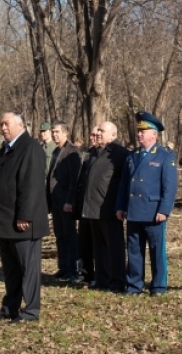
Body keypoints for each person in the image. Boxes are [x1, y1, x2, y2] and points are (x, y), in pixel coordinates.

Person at [0, 111, 50, 324]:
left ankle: (31, 310)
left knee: (28, 268)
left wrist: (25, 215)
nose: (2, 128)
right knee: (11, 269)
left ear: (20, 125)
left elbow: (31, 185)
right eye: (1, 124)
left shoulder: (30, 148)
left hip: (22, 222)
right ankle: (10, 307)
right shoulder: (7, 149)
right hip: (5, 221)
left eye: (6, 124)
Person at [116, 111, 178, 296]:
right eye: (139, 131)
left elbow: (170, 187)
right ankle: (134, 285)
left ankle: (158, 286)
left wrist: (164, 210)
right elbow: (124, 184)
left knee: (156, 250)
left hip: (153, 211)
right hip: (134, 210)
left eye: (144, 131)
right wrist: (120, 206)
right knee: (134, 250)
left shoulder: (165, 156)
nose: (139, 134)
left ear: (154, 134)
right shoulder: (132, 156)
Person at [80, 121, 128, 293]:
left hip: (109, 209)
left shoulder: (120, 154)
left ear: (113, 135)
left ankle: (117, 282)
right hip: (92, 208)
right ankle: (102, 279)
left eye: (102, 130)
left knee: (114, 248)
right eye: (98, 130)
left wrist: (121, 206)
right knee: (99, 247)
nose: (98, 133)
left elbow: (125, 182)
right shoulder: (95, 153)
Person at [46, 121, 81, 281]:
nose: (54, 134)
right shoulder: (55, 151)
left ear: (65, 132)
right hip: (55, 201)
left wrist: (70, 201)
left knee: (69, 235)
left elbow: (75, 180)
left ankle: (73, 270)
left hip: (66, 202)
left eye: (57, 132)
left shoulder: (72, 151)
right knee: (60, 235)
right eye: (53, 132)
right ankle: (63, 266)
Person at [72, 126, 99, 285]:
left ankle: (97, 274)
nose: (93, 137)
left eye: (96, 135)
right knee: (84, 243)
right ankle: (86, 273)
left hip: (96, 207)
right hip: (84, 205)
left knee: (96, 243)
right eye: (91, 135)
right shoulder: (89, 154)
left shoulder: (105, 155)